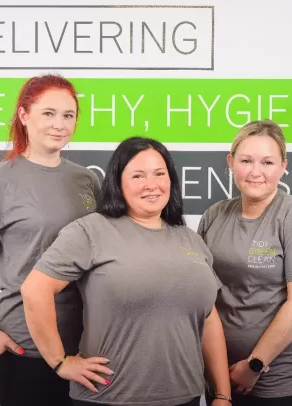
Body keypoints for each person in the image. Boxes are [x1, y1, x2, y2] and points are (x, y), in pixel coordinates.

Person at [21, 136, 232, 406]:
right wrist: (60, 362)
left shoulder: (190, 239)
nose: (151, 185)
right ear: (118, 182)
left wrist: (222, 394)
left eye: (159, 173)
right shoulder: (90, 230)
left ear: (171, 180)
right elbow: (34, 289)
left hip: (186, 396)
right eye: (137, 176)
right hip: (109, 397)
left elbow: (209, 319)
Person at [0, 74, 101, 406]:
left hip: (87, 345)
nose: (60, 124)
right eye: (48, 113)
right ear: (24, 115)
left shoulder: (87, 179)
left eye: (69, 115)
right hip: (25, 349)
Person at [198, 119, 292, 406]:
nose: (256, 172)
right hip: (222, 374)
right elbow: (204, 294)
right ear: (231, 162)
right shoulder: (214, 215)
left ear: (283, 166)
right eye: (246, 160)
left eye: (268, 162)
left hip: (280, 379)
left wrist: (254, 365)